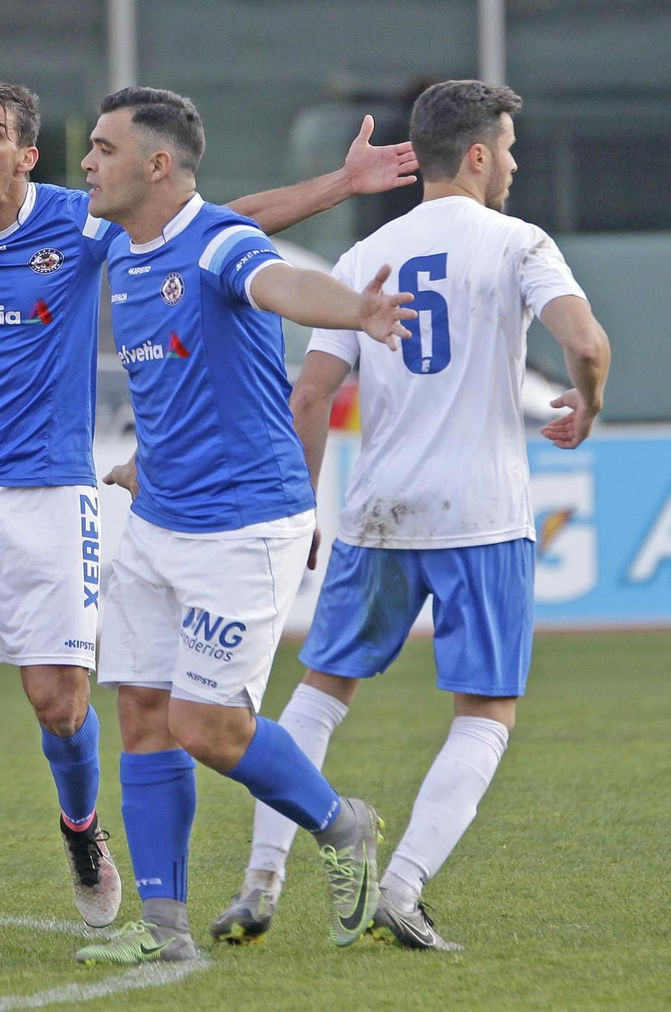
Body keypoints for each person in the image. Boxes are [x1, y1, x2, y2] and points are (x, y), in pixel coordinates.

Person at [0, 75, 421, 941]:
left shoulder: (81, 222)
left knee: (63, 705)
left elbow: (220, 226)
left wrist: (339, 193)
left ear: (25, 156)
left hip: (52, 490)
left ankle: (83, 830)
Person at [210, 79, 611, 951]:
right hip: (482, 516)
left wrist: (303, 503)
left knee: (319, 694)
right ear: (478, 154)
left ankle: (260, 882)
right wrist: (589, 400)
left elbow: (310, 395)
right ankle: (401, 890)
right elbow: (585, 342)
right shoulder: (518, 241)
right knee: (485, 714)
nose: (513, 166)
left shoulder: (364, 256)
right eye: (508, 150)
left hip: (377, 514)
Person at [71, 86, 416, 964]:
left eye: (103, 149)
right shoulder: (128, 241)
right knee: (143, 715)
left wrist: (355, 308)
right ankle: (165, 930)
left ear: (156, 164)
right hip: (158, 521)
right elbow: (245, 212)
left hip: (243, 523)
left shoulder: (223, 245)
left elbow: (278, 279)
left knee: (206, 727)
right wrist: (339, 184)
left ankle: (341, 826)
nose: (86, 163)